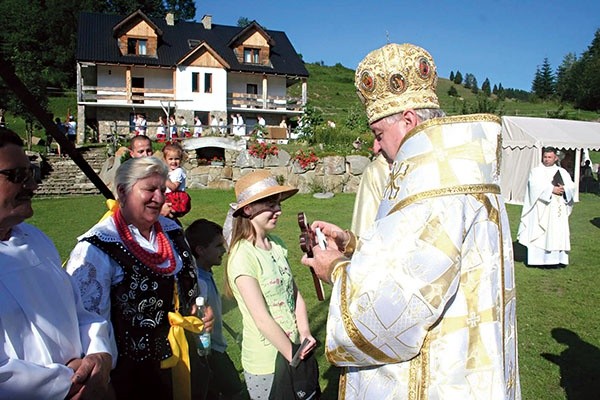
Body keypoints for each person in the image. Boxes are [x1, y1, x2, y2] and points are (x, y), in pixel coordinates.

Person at [301, 43, 520, 399]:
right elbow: (423, 265)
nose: (375, 148)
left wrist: (337, 269)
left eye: (377, 134)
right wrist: (354, 245)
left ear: (408, 120)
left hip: (436, 380)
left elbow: (393, 313)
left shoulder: (433, 188)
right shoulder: (455, 171)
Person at [66, 156, 213, 400]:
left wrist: (201, 310)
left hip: (187, 362)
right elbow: (87, 324)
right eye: (150, 189)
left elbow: (188, 286)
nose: (159, 198)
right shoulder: (97, 248)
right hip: (135, 379)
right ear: (122, 192)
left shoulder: (172, 231)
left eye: (162, 190)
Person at [0, 128, 115, 399]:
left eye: (31, 175)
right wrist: (68, 384)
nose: (31, 186)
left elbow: (79, 311)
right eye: (17, 176)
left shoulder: (36, 241)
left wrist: (98, 354)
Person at [225, 170, 318, 400]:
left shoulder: (277, 245)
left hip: (294, 350)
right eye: (270, 205)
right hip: (267, 362)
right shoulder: (242, 256)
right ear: (248, 209)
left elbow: (294, 294)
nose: (278, 210)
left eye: (277, 204)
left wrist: (304, 334)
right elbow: (261, 318)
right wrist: (294, 357)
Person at [185, 219, 247, 400]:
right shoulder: (199, 283)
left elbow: (217, 307)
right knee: (235, 391)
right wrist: (205, 354)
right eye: (218, 246)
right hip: (211, 352)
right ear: (201, 250)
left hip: (214, 350)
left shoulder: (204, 274)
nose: (224, 250)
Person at [517, 147, 574, 266]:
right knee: (542, 234)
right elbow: (533, 186)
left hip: (558, 208)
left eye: (550, 157)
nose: (547, 160)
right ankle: (538, 260)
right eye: (545, 157)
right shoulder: (536, 171)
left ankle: (557, 260)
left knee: (557, 232)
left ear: (555, 158)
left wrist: (564, 189)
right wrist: (551, 189)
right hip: (542, 208)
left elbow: (571, 186)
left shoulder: (562, 172)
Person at [350, 152, 390, 237]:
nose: (375, 148)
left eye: (380, 138)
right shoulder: (376, 171)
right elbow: (366, 230)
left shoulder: (376, 171)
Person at [163, 142, 191, 219]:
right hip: (168, 196)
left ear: (181, 159)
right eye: (170, 159)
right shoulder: (169, 172)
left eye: (177, 159)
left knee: (170, 216)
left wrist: (163, 178)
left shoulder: (179, 171)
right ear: (165, 160)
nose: (174, 162)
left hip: (175, 198)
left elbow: (174, 187)